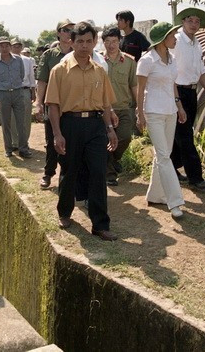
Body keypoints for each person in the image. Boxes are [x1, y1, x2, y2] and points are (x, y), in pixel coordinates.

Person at [45, 21, 118, 241]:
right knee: (70, 170)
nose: (84, 46)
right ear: (71, 42)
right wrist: (57, 133)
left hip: (96, 126)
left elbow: (106, 104)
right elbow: (53, 105)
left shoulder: (100, 71)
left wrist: (110, 130)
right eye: (80, 41)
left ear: (95, 42)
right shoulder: (59, 70)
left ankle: (100, 224)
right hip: (70, 125)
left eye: (89, 41)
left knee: (98, 172)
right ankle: (65, 212)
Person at [136, 22, 188, 219]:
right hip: (153, 112)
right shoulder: (147, 60)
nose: (175, 38)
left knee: (163, 154)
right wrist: (140, 114)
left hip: (170, 111)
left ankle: (156, 195)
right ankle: (175, 201)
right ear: (162, 39)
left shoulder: (172, 59)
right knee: (165, 156)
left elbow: (173, 85)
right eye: (173, 35)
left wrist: (179, 106)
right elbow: (140, 91)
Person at [172, 8, 205, 191]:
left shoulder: (196, 44)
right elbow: (169, 69)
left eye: (197, 22)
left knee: (180, 134)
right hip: (177, 92)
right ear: (183, 22)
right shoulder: (176, 42)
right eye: (190, 21)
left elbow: (201, 70)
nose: (194, 25)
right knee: (185, 136)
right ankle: (195, 177)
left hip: (191, 92)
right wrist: (175, 99)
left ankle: (171, 169)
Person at [34, 19, 75, 189]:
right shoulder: (49, 55)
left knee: (72, 142)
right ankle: (48, 173)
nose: (69, 33)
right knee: (52, 141)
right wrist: (38, 103)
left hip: (72, 105)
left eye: (72, 30)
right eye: (65, 30)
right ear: (58, 33)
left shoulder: (78, 52)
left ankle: (69, 178)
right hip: (52, 105)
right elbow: (42, 81)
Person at [101, 27, 138, 186]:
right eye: (107, 42)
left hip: (124, 107)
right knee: (106, 140)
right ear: (103, 43)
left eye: (114, 41)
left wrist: (138, 107)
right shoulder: (99, 61)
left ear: (119, 41)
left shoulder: (129, 61)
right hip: (105, 109)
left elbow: (134, 85)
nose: (111, 45)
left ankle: (114, 160)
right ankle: (109, 174)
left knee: (125, 137)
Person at [0, 37, 29, 158]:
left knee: (21, 122)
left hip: (18, 93)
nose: (4, 48)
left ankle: (23, 149)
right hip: (4, 95)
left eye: (7, 45)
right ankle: (8, 149)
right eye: (1, 46)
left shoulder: (18, 60)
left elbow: (22, 75)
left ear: (10, 47)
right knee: (5, 122)